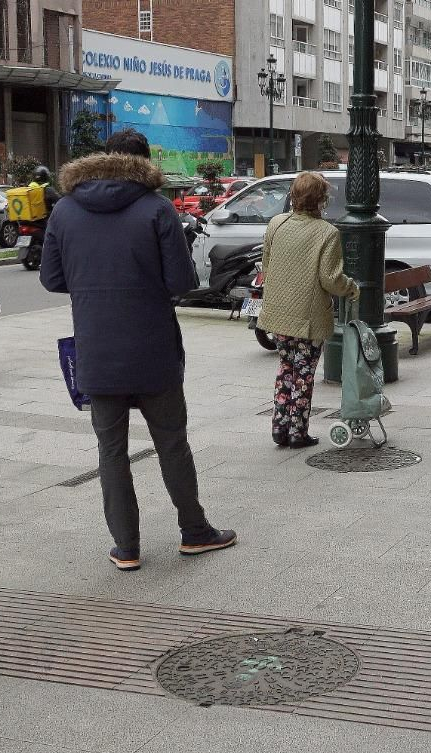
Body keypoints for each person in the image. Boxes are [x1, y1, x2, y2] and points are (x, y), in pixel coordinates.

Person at [41, 129, 236, 572]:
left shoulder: (66, 210)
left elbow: (52, 279)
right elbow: (182, 282)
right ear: (145, 163)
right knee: (171, 442)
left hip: (96, 347)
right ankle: (194, 531)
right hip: (152, 347)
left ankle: (126, 547)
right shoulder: (157, 208)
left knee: (111, 451)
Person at [256, 172, 359, 449]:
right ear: (321, 199)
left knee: (285, 368)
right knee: (304, 373)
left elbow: (267, 265)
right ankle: (297, 431)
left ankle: (280, 426)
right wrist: (351, 287)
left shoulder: (276, 224)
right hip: (308, 318)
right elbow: (330, 279)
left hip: (278, 314)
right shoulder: (327, 232)